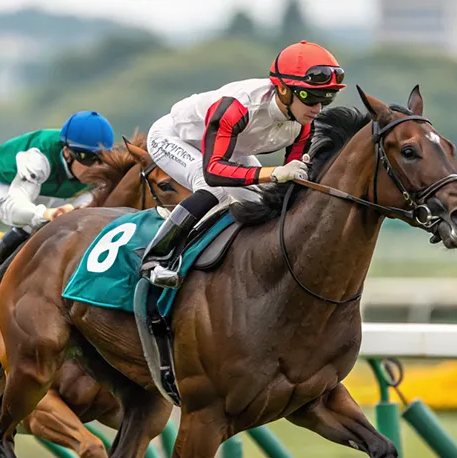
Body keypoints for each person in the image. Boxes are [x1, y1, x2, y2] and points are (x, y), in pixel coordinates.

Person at [141, 40, 346, 288]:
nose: (317, 108)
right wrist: (274, 173)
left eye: (326, 100)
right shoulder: (238, 106)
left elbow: (292, 179)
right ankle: (155, 260)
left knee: (263, 201)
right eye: (309, 97)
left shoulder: (303, 122)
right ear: (282, 89)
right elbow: (214, 171)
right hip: (175, 137)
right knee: (213, 189)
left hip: (230, 147)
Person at [0, 110, 115, 286]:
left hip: (49, 192)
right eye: (89, 158)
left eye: (104, 159)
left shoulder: (99, 168)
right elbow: (18, 208)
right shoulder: (38, 158)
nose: (98, 168)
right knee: (30, 222)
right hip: (4, 188)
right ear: (67, 152)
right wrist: (47, 214)